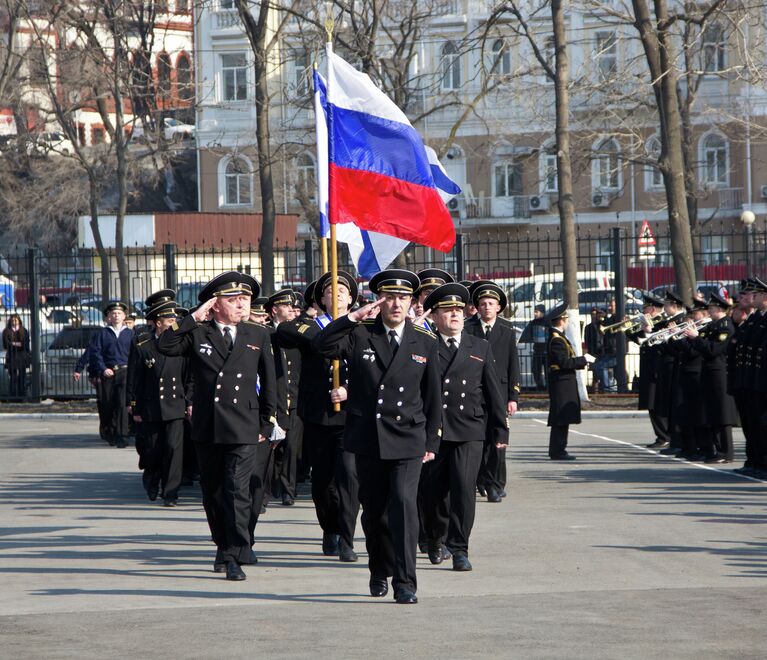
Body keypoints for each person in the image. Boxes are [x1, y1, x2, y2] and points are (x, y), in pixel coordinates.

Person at [312, 269, 441, 605]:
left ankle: (405, 581)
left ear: (411, 301)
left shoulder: (425, 341)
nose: (396, 303)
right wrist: (351, 317)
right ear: (379, 300)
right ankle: (378, 569)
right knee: (374, 513)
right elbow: (322, 345)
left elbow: (433, 397)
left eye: (402, 297)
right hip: (368, 436)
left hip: (408, 437)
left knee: (402, 504)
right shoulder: (360, 335)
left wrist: (431, 441)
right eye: (389, 297)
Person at [158, 271, 277, 581]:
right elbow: (166, 346)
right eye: (233, 300)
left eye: (245, 299)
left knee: (238, 489)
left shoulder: (257, 334)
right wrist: (192, 318)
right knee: (213, 493)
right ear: (216, 304)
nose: (241, 305)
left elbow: (270, 380)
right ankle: (222, 545)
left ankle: (235, 551)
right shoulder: (198, 333)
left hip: (244, 425)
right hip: (209, 426)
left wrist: (268, 420)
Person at [421, 283, 507, 572]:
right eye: (448, 310)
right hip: (435, 431)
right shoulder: (424, 344)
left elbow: (493, 391)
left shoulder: (478, 346)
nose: (455, 314)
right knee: (434, 493)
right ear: (434, 316)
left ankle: (459, 548)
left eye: (459, 309)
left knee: (463, 490)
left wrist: (500, 431)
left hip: (469, 429)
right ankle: (435, 538)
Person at [277, 271, 360, 562]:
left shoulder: (362, 329)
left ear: (351, 298)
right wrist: (326, 331)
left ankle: (347, 538)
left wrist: (349, 389)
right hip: (318, 416)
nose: (336, 294)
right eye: (329, 290)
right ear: (320, 299)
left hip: (351, 417)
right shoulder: (309, 327)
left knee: (349, 477)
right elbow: (283, 332)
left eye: (342, 291)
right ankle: (330, 528)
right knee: (323, 481)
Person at [127, 299, 191, 506]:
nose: (173, 322)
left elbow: (189, 377)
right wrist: (134, 404)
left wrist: (190, 401)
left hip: (175, 405)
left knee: (174, 449)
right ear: (157, 322)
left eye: (175, 319)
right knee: (153, 449)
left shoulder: (182, 345)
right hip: (151, 406)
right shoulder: (144, 345)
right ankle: (152, 479)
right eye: (169, 319)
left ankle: (170, 492)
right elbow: (135, 377)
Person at [465, 280, 520, 502]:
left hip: (500, 392)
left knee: (498, 440)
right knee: (479, 440)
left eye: (491, 303)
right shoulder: (469, 328)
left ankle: (496, 483)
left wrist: (513, 397)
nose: (487, 307)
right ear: (477, 307)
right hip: (475, 393)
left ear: (499, 307)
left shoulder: (506, 331)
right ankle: (481, 479)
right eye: (483, 303)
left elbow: (513, 365)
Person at [685, 292, 737, 463]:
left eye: (711, 308)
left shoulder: (725, 327)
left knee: (721, 413)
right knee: (713, 412)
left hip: (719, 373)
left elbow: (714, 349)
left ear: (718, 309)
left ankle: (726, 452)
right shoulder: (713, 326)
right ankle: (717, 449)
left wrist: (695, 338)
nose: (708, 311)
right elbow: (701, 345)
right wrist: (693, 336)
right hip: (709, 372)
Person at [265, 289, 302, 507]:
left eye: (292, 306)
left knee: (292, 449)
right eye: (285, 305)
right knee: (271, 448)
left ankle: (288, 490)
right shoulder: (266, 334)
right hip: (274, 398)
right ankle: (267, 490)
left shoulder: (298, 334)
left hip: (294, 398)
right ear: (274, 310)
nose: (290, 309)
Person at [546, 304, 595, 460]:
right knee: (560, 418)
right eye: (566, 319)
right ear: (561, 320)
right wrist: (583, 359)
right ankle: (557, 450)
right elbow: (564, 362)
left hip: (564, 382)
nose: (567, 322)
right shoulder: (556, 340)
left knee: (563, 418)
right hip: (561, 383)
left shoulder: (559, 337)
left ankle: (559, 449)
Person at [626, 292, 669, 448]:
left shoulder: (662, 323)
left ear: (651, 309)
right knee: (651, 403)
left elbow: (659, 344)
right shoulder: (650, 322)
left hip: (657, 368)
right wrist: (628, 328)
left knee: (657, 403)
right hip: (648, 367)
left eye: (645, 308)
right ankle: (661, 435)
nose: (643, 311)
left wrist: (649, 330)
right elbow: (639, 339)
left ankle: (664, 436)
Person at [89, 301, 133, 448]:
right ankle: (110, 432)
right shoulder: (103, 333)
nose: (116, 316)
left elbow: (135, 355)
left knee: (122, 404)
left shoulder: (130, 334)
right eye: (113, 313)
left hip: (125, 372)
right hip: (108, 373)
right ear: (109, 316)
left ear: (124, 316)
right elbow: (96, 353)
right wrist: (103, 368)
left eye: (119, 313)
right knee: (108, 403)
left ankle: (122, 435)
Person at [2, 314, 31, 397]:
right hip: (12, 357)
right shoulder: (6, 331)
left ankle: (22, 395)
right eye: (12, 320)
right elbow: (6, 344)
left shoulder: (24, 330)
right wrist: (17, 344)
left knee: (22, 377)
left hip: (22, 357)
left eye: (16, 320)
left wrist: (13, 343)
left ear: (19, 321)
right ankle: (13, 395)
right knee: (13, 378)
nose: (14, 322)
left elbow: (25, 344)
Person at [583, 308, 606, 393]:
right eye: (592, 314)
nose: (593, 316)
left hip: (602, 352)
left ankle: (602, 389)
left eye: (595, 314)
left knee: (602, 371)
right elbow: (586, 341)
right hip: (593, 352)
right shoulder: (588, 327)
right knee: (595, 373)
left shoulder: (601, 324)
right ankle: (596, 391)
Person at [531, 304, 548, 390]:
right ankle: (540, 386)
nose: (535, 314)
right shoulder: (533, 322)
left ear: (542, 312)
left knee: (547, 370)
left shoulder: (547, 322)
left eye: (536, 312)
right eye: (534, 312)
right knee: (535, 369)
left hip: (546, 350)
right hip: (537, 349)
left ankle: (548, 387)